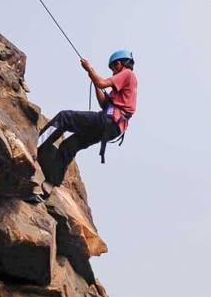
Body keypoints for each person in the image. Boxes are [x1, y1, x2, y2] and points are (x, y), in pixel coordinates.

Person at [36, 50, 138, 199]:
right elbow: (104, 103)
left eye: (113, 69)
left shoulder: (127, 74)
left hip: (108, 121)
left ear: (119, 64)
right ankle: (49, 185)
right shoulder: (125, 88)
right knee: (69, 146)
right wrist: (95, 81)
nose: (113, 73)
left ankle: (36, 144)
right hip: (111, 128)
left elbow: (102, 82)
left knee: (65, 117)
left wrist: (89, 69)